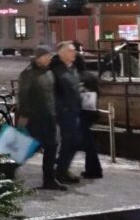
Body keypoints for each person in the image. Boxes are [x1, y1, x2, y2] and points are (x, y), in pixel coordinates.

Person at [16, 45, 64, 190]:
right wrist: (24, 115)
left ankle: (49, 179)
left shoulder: (49, 73)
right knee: (24, 149)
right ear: (38, 57)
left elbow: (51, 95)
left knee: (52, 146)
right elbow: (23, 96)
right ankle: (3, 171)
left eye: (50, 56)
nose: (49, 58)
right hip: (34, 118)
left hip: (49, 117)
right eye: (46, 56)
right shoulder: (28, 74)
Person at [50, 41, 82, 185]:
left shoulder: (71, 67)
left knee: (72, 141)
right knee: (70, 141)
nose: (74, 53)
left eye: (74, 50)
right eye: (71, 51)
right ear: (61, 53)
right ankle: (59, 172)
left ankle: (62, 169)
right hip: (62, 111)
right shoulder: (55, 69)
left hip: (72, 110)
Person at [78, 58, 103, 180]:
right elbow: (99, 93)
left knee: (88, 142)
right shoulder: (91, 77)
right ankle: (93, 169)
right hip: (92, 111)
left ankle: (94, 169)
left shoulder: (78, 77)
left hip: (81, 112)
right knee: (88, 141)